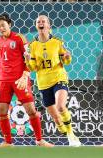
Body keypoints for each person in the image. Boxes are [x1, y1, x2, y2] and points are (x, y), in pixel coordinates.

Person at [0, 14, 52, 147]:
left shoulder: (19, 38)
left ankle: (39, 140)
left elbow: (28, 58)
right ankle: (8, 142)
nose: (1, 28)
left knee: (31, 110)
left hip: (20, 80)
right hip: (3, 81)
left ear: (9, 24)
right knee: (1, 112)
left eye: (3, 25)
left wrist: (25, 75)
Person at [24, 15, 80, 146]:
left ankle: (71, 133)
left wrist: (67, 56)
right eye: (38, 21)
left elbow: (66, 61)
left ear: (49, 26)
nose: (41, 23)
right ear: (36, 26)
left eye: (44, 21)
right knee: (57, 119)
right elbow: (32, 68)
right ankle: (64, 129)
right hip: (43, 83)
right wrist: (27, 59)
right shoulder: (32, 46)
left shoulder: (57, 42)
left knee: (61, 107)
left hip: (58, 78)